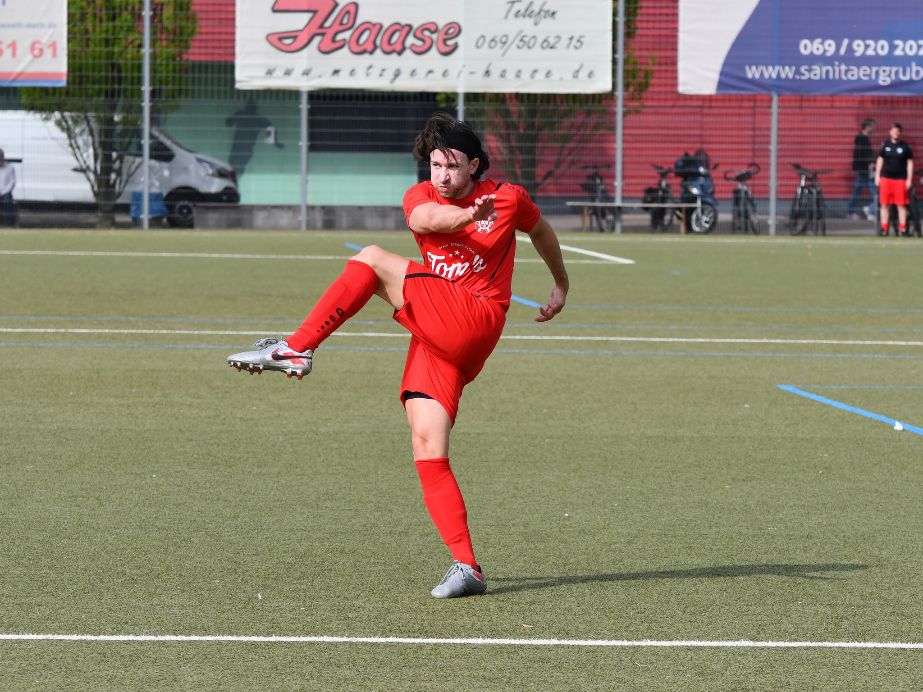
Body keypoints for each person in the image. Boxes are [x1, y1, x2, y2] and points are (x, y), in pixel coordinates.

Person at [226, 112, 569, 599]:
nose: (442, 175)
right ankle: (467, 566)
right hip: (440, 332)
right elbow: (426, 220)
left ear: (474, 165)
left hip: (475, 317)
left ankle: (297, 347)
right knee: (427, 445)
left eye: (452, 166)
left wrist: (560, 283)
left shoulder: (508, 197)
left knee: (371, 258)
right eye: (435, 165)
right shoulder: (421, 196)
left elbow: (542, 232)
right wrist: (469, 217)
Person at [875, 122, 914, 237]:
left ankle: (903, 229)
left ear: (900, 132)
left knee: (901, 205)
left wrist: (909, 179)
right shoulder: (885, 145)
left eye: (897, 131)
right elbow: (880, 160)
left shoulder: (905, 147)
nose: (895, 133)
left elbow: (910, 163)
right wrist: (877, 176)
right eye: (893, 131)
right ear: (890, 132)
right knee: (884, 205)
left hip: (900, 180)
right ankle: (884, 229)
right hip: (886, 179)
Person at [847, 119, 876, 220]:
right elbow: (861, 154)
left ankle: (870, 210)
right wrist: (869, 163)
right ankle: (854, 211)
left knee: (869, 191)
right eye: (872, 126)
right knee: (863, 191)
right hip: (864, 170)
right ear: (867, 127)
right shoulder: (861, 139)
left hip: (865, 170)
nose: (873, 128)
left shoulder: (864, 138)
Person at [0, 149, 16, 226]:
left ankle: (8, 224)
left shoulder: (10, 167)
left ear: (3, 157)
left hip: (5, 193)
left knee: (7, 199)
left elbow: (12, 183)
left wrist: (2, 192)